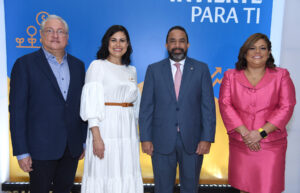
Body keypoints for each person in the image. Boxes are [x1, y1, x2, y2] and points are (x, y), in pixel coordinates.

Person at [9, 15, 86, 193]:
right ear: (41, 35)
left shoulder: (78, 66)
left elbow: (81, 107)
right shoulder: (24, 65)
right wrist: (21, 151)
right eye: (49, 31)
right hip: (39, 149)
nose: (55, 36)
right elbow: (17, 111)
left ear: (67, 37)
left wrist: (82, 142)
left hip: (71, 148)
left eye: (60, 32)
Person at [139, 26, 216, 193]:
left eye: (181, 41)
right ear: (166, 45)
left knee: (190, 188)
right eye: (172, 41)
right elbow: (146, 107)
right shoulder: (154, 70)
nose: (177, 45)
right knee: (162, 188)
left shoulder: (201, 69)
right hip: (161, 140)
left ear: (188, 44)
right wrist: (145, 137)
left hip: (193, 141)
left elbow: (208, 107)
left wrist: (207, 138)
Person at [219, 33, 296, 193]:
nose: (257, 52)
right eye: (252, 48)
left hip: (270, 145)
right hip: (242, 143)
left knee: (268, 188)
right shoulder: (230, 76)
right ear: (245, 53)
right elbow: (225, 105)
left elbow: (286, 107)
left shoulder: (281, 75)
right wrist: (247, 134)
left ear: (268, 53)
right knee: (244, 188)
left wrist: (260, 133)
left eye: (263, 48)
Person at [80, 25, 143, 193]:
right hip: (105, 129)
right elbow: (91, 103)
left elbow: (136, 104)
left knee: (126, 172)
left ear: (128, 44)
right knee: (105, 172)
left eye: (122, 40)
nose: (118, 44)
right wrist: (97, 138)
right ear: (106, 43)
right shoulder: (97, 66)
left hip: (128, 132)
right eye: (113, 40)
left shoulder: (132, 70)